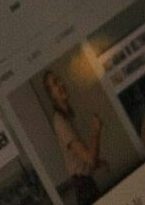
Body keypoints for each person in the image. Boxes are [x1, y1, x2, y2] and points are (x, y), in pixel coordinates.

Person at [44, 69, 109, 205]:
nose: (61, 84)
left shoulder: (68, 115)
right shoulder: (60, 121)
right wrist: (96, 130)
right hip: (84, 187)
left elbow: (83, 161)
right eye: (56, 83)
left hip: (87, 183)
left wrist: (98, 164)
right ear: (52, 94)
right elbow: (90, 159)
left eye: (60, 79)